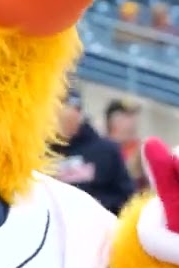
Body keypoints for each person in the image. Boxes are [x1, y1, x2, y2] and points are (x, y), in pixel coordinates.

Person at [50, 86, 135, 214]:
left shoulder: (106, 151)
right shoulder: (39, 151)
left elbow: (127, 199)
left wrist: (95, 205)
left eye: (75, 112)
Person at [104, 97, 145, 190]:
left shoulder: (141, 150)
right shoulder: (100, 149)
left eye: (134, 116)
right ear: (113, 121)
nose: (134, 122)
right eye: (128, 116)